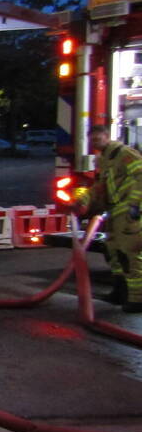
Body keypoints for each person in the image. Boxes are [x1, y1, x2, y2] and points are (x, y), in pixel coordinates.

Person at [73, 125, 142, 313]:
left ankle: (137, 299)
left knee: (130, 254)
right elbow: (99, 187)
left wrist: (135, 205)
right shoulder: (103, 159)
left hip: (128, 211)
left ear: (107, 137)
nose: (95, 144)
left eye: (98, 139)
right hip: (114, 212)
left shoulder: (125, 154)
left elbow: (141, 177)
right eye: (92, 140)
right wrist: (82, 200)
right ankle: (120, 292)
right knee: (113, 253)